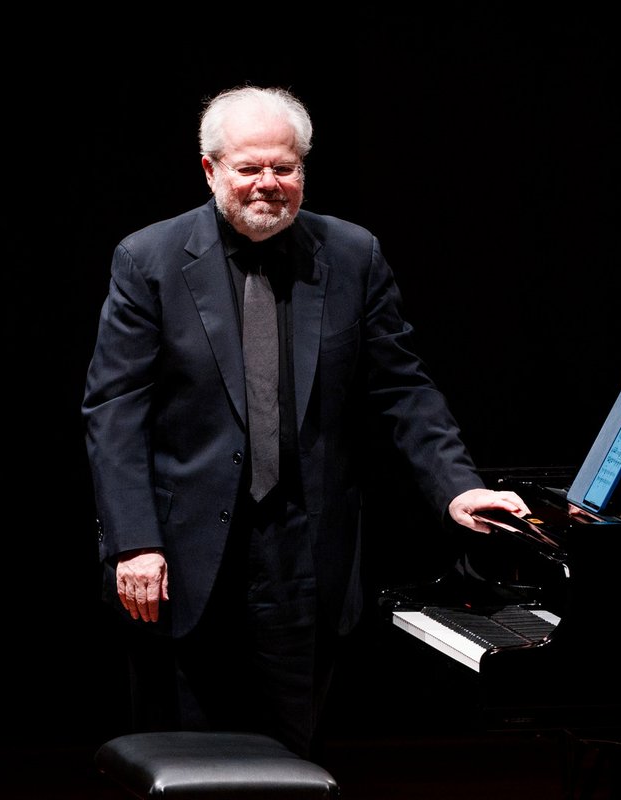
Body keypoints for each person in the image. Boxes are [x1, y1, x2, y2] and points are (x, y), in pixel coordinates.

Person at [82, 85, 529, 759]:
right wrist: (133, 541)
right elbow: (114, 410)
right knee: (190, 759)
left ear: (303, 168)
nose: (269, 184)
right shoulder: (149, 259)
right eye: (249, 168)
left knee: (294, 757)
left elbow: (404, 389)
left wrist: (458, 486)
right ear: (211, 171)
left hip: (303, 555)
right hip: (181, 559)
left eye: (284, 168)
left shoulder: (352, 255)